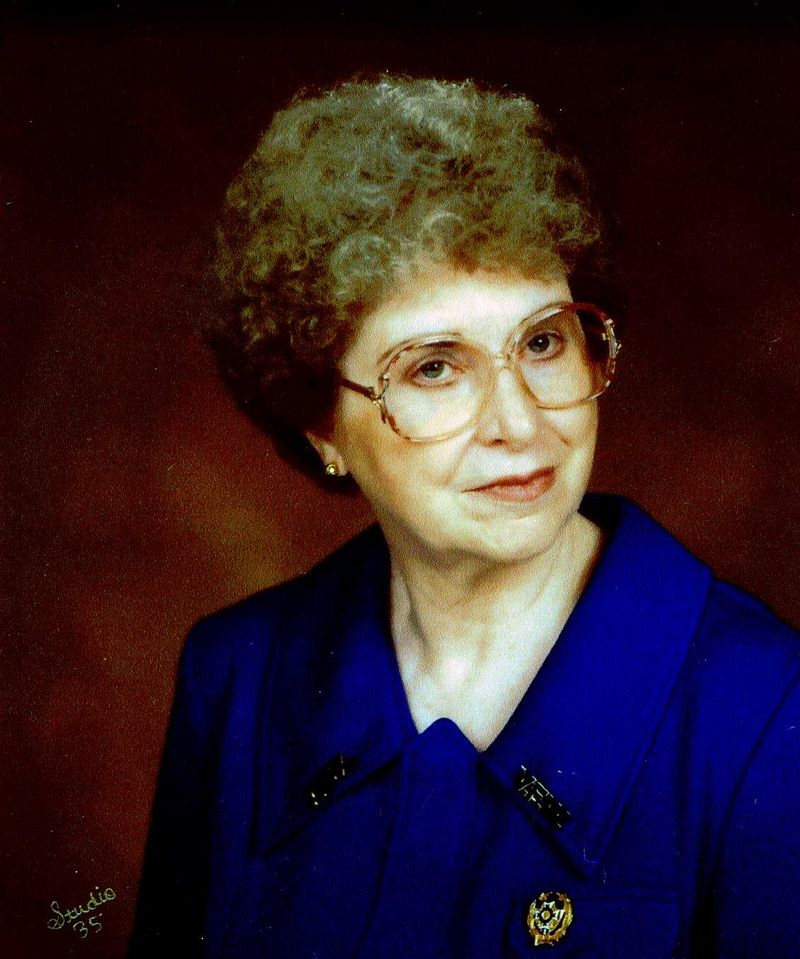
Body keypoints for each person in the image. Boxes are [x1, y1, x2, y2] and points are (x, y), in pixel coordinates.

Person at [128, 76, 800, 959]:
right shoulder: (236, 676)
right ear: (318, 424)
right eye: (435, 368)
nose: (519, 423)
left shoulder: (764, 706)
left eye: (543, 341)